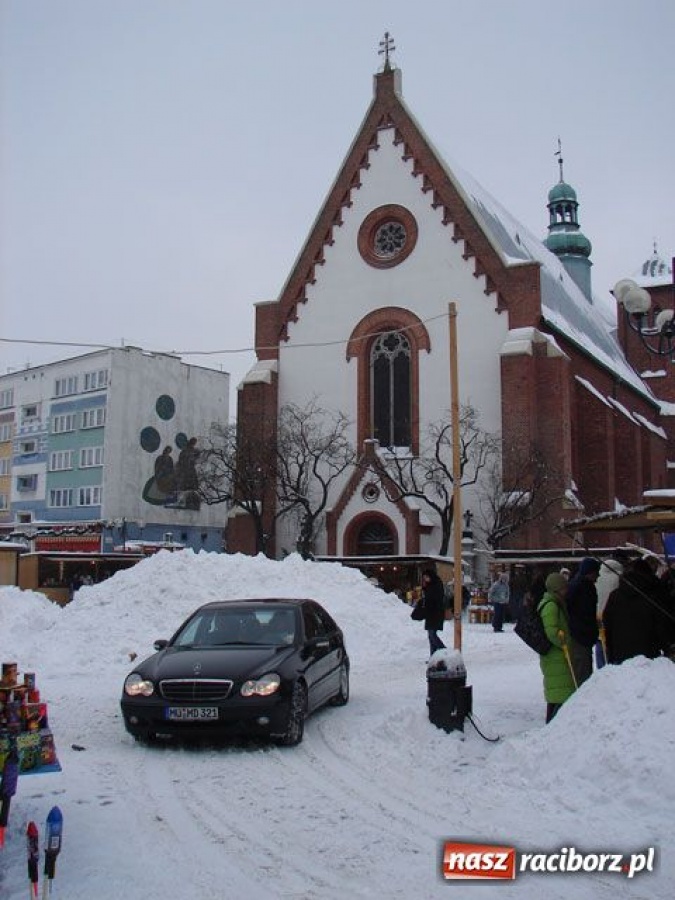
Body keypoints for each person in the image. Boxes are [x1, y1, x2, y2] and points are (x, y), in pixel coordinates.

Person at [603, 558, 673, 664]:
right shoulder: (652, 596)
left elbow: (607, 623)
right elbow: (661, 625)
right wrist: (667, 648)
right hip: (649, 654)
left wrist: (611, 651)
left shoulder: (615, 596)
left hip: (620, 653)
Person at [539, 572, 577, 723]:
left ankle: (553, 725)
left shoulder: (555, 603)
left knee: (559, 692)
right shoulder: (551, 606)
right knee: (561, 692)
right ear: (556, 589)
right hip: (556, 655)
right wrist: (565, 643)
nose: (566, 591)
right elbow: (552, 630)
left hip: (557, 655)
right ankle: (554, 725)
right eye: (563, 588)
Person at [565, 557, 600, 685]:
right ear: (590, 572)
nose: (598, 576)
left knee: (584, 671)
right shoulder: (581, 587)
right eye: (596, 573)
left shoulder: (581, 585)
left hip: (583, 635)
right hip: (580, 636)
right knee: (583, 675)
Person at [594, 551, 630, 668]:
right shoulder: (621, 577)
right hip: (616, 620)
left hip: (598, 618)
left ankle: (601, 672)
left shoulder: (597, 576)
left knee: (600, 646)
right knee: (615, 648)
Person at [420, 568, 446, 656]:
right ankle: (433, 656)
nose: (425, 579)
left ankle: (444, 650)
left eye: (426, 577)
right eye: (424, 578)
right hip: (430, 613)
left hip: (436, 613)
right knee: (430, 636)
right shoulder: (429, 585)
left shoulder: (436, 584)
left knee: (432, 635)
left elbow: (435, 598)